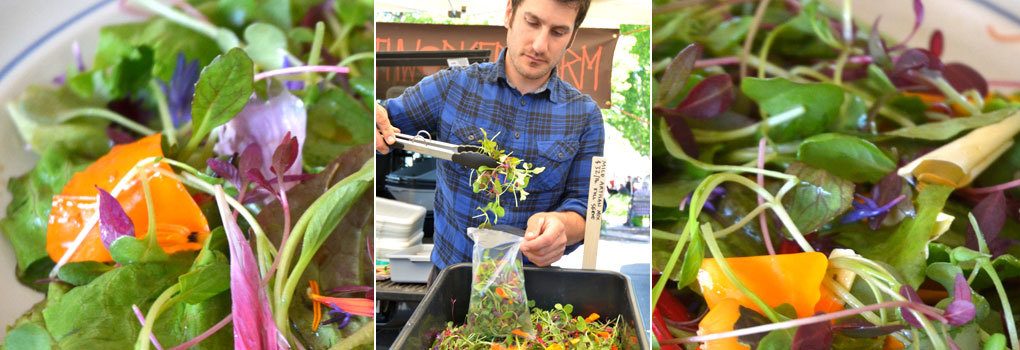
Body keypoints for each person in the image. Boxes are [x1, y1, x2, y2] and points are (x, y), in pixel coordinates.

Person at [375, 0, 604, 270]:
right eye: (532, 23)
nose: (540, 45)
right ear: (509, 13)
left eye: (557, 32)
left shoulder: (584, 115)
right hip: (452, 280)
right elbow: (383, 119)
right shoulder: (452, 86)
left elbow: (589, 206)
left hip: (531, 287)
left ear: (572, 36)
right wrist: (375, 120)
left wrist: (563, 226)